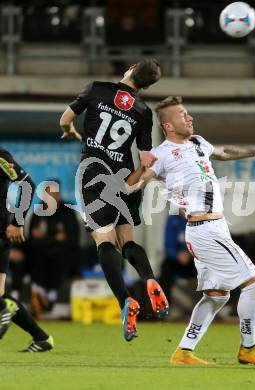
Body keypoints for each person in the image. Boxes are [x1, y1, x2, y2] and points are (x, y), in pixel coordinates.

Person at [128, 96, 255, 366]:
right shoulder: (161, 154)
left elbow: (224, 152)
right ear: (167, 125)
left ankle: (184, 352)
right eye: (182, 115)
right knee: (254, 283)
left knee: (217, 295)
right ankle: (249, 347)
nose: (189, 117)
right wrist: (135, 173)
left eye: (188, 113)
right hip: (204, 229)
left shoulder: (198, 142)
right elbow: (135, 184)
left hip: (212, 227)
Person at [59, 59, 169, 342]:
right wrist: (138, 183)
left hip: (94, 173)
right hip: (125, 176)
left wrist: (71, 132)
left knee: (105, 242)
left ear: (131, 68)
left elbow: (64, 119)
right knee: (127, 241)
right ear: (146, 86)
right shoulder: (143, 111)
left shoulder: (96, 89)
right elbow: (146, 161)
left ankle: (125, 302)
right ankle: (149, 279)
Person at [0, 146, 54, 352]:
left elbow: (27, 185)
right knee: (1, 295)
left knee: (1, 298)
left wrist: (18, 221)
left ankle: (3, 306)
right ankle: (41, 338)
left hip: (2, 230)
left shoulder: (0, 157)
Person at [28, 181, 81, 317]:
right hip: (41, 253)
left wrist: (45, 238)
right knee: (37, 256)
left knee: (61, 256)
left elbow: (71, 240)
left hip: (63, 254)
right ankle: (40, 295)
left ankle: (49, 298)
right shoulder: (38, 212)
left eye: (54, 193)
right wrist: (54, 238)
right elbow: (32, 239)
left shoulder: (67, 212)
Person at [159, 213, 196, 305]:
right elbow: (168, 245)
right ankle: (164, 307)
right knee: (165, 268)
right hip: (176, 260)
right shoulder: (173, 219)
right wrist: (177, 255)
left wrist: (190, 254)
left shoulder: (200, 220)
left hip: (194, 259)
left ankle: (219, 305)